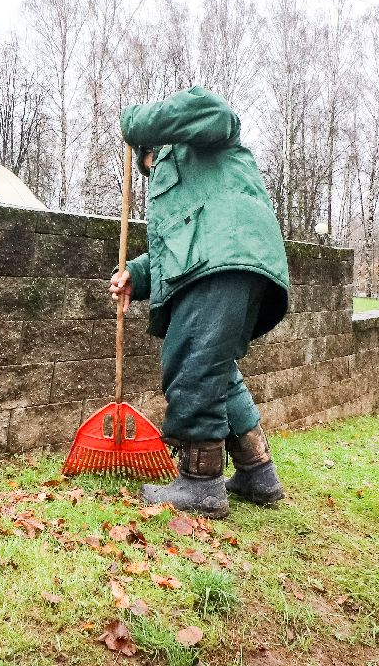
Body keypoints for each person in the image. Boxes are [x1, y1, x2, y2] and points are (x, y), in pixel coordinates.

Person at [107, 86, 291, 518]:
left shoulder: (208, 136)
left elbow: (214, 109)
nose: (155, 172)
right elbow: (176, 245)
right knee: (211, 365)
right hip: (224, 260)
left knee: (190, 360)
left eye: (156, 160)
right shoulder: (183, 198)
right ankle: (256, 470)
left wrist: (135, 121)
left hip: (225, 256)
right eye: (150, 169)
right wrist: (137, 273)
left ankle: (200, 483)